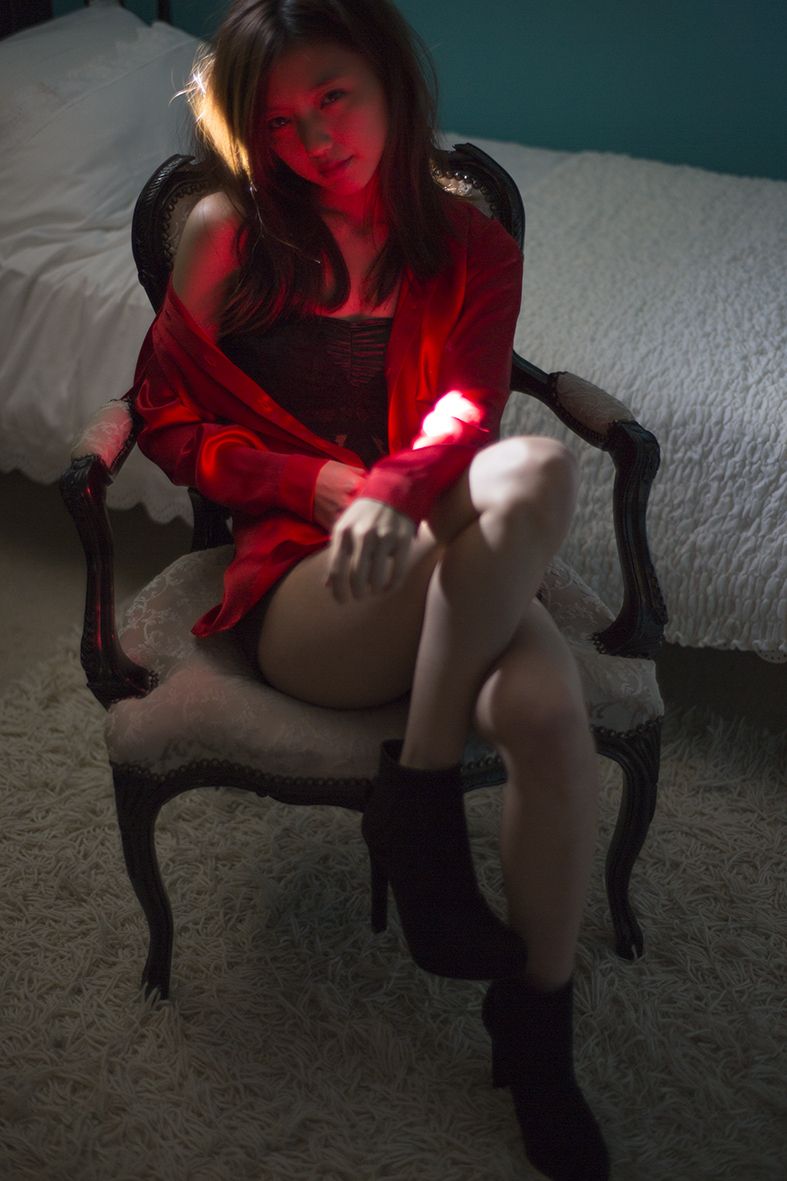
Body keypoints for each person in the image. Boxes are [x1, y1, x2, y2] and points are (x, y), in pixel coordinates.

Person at [132, 1, 609, 1177]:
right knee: (523, 500)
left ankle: (534, 1017)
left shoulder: (472, 248)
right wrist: (311, 480)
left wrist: (397, 487)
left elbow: (465, 415)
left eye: (333, 99)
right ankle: (426, 805)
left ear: (392, 81)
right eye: (277, 122)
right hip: (312, 588)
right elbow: (165, 417)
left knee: (547, 682)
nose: (312, 141)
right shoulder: (226, 236)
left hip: (444, 554)